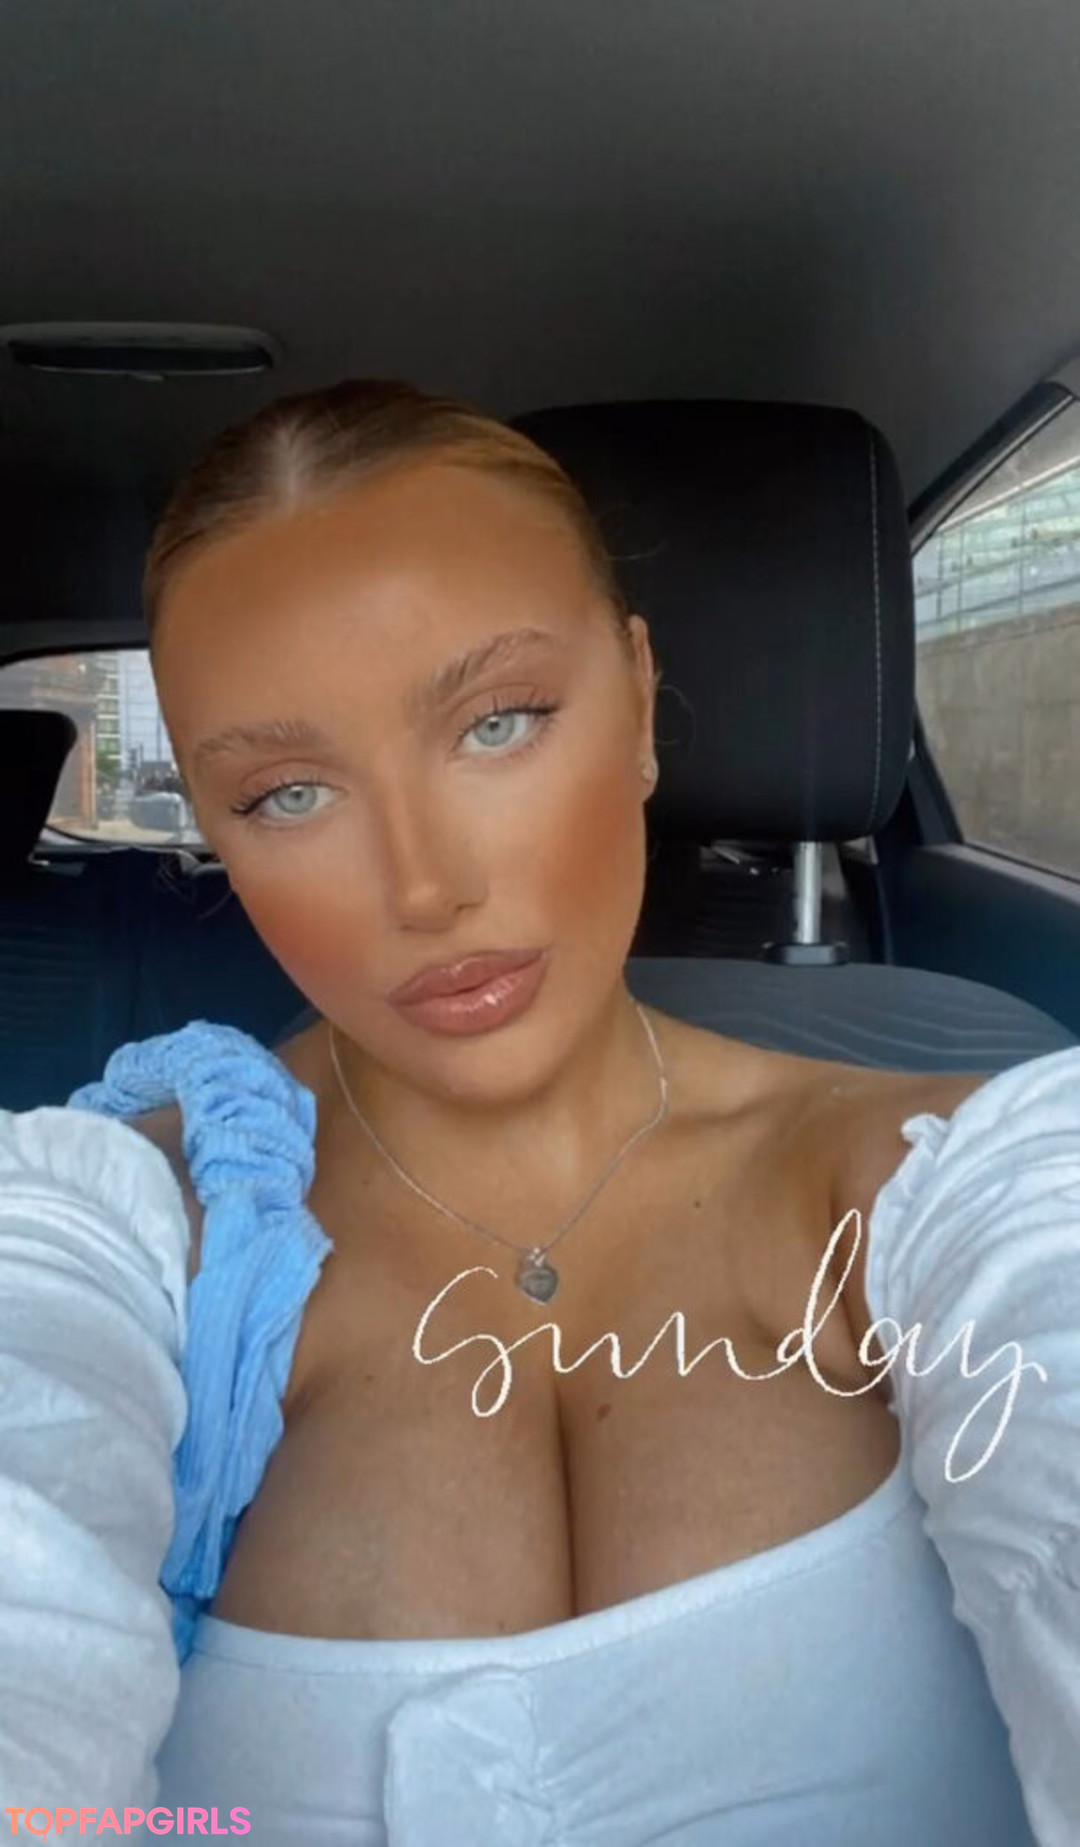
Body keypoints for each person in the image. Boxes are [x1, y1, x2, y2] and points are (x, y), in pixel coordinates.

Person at [1, 378, 1077, 1844]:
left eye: (497, 722)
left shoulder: (966, 1184)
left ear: (640, 701)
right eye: (288, 795)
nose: (425, 884)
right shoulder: (122, 1237)